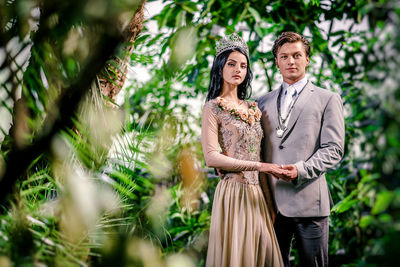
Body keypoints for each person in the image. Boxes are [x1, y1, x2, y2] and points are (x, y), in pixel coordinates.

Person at [257, 32, 345, 267]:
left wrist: (300, 170)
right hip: (271, 206)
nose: (291, 61)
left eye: (297, 55)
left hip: (310, 203)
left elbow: (333, 149)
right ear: (277, 62)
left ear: (307, 58)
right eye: (284, 56)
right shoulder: (260, 102)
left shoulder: (328, 99)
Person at [201, 33, 284, 267]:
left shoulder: (253, 107)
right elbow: (211, 157)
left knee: (264, 256)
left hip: (257, 194)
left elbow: (259, 156)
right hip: (232, 194)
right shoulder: (212, 107)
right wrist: (260, 166)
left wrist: (269, 205)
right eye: (231, 64)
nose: (238, 69)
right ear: (220, 67)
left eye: (244, 65)